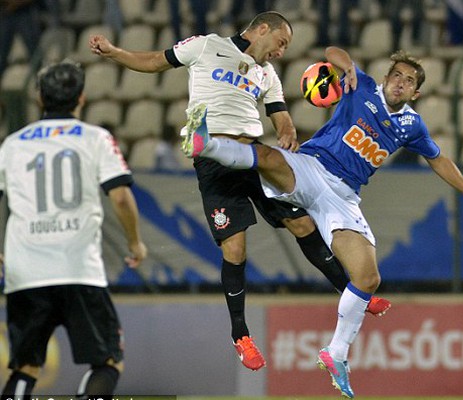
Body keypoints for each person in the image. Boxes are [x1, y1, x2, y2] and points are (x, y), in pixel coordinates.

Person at [182, 47, 463, 397]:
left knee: (368, 277)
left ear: (416, 93)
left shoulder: (412, 125)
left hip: (342, 197)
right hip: (311, 169)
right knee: (265, 157)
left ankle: (336, 353)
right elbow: (331, 51)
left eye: (409, 81)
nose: (400, 83)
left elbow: (439, 159)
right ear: (385, 78)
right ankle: (206, 143)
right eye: (396, 75)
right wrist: (348, 66)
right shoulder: (363, 86)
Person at [88, 11, 391, 372]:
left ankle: (349, 292)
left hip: (255, 157)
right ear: (263, 29)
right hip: (214, 160)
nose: (280, 52)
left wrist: (287, 129)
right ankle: (241, 335)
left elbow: (279, 113)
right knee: (235, 247)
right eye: (281, 43)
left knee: (303, 225)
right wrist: (113, 52)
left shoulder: (267, 75)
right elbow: (155, 61)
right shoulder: (206, 46)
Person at [0, 61, 147, 397]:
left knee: (25, 367)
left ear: (39, 97)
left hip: (26, 273)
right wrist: (135, 243)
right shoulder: (95, 138)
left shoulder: (12, 144)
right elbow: (121, 198)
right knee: (109, 360)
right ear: (81, 97)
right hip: (78, 268)